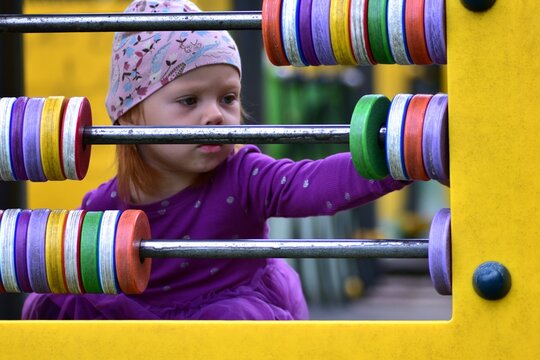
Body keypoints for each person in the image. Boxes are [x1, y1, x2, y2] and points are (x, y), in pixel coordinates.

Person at [22, 0, 409, 320]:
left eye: (228, 98)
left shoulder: (244, 176)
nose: (215, 115)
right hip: (143, 320)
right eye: (190, 101)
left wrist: (396, 153)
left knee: (231, 322)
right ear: (130, 115)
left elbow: (313, 183)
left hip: (229, 314)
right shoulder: (104, 208)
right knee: (61, 302)